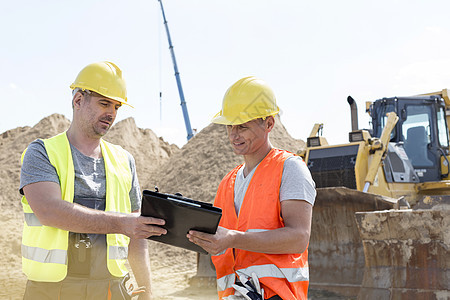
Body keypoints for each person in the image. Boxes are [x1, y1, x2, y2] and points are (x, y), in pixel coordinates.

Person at [19, 61, 166, 300]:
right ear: (78, 101)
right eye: (104, 103)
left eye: (117, 106)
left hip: (109, 290)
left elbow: (136, 235)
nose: (112, 113)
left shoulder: (124, 160)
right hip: (49, 291)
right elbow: (49, 211)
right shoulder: (41, 152)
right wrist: (121, 223)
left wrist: (146, 291)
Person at [188, 76, 316, 300]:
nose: (233, 134)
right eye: (230, 126)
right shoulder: (228, 182)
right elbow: (224, 240)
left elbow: (299, 237)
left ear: (268, 124)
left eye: (243, 126)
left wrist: (234, 238)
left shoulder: (290, 168)